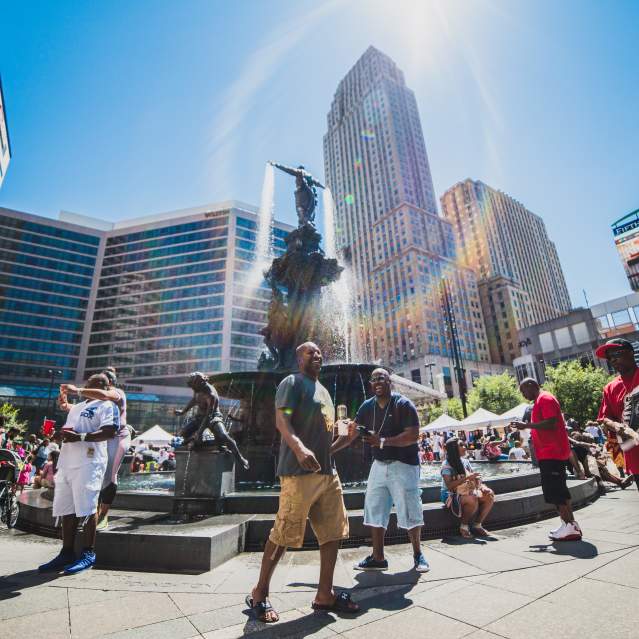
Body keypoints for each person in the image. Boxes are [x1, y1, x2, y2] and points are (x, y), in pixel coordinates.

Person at [247, 342, 359, 623]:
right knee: (284, 532)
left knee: (333, 532)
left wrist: (342, 442)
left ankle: (325, 594)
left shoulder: (323, 391)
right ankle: (259, 594)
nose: (317, 355)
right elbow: (281, 420)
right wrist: (298, 448)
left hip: (327, 474)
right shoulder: (291, 382)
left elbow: (323, 443)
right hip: (297, 473)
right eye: (311, 352)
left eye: (319, 352)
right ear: (299, 358)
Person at [38, 373, 119, 575]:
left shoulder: (107, 404)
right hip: (67, 462)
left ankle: (88, 553)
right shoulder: (78, 407)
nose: (85, 386)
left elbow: (110, 432)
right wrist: (54, 434)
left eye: (90, 383)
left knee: (89, 506)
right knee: (67, 508)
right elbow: (69, 431)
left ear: (101, 386)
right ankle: (66, 553)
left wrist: (81, 437)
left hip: (90, 462)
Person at [350, 368, 429, 572]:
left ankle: (418, 554)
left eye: (381, 378)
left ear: (389, 382)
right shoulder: (367, 407)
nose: (377, 382)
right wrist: (331, 447)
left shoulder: (403, 404)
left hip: (404, 464)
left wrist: (382, 441)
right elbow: (352, 432)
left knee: (410, 508)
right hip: (379, 465)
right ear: (370, 384)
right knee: (374, 508)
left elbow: (412, 435)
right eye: (374, 379)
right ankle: (378, 557)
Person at [60, 366, 131, 529]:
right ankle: (88, 512)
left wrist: (78, 390)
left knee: (108, 475)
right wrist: (66, 406)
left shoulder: (117, 392)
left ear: (109, 383)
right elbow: (86, 410)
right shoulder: (95, 399)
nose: (93, 388)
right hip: (100, 438)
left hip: (117, 437)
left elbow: (105, 396)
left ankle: (103, 515)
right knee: (91, 472)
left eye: (100, 382)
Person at [511, 378, 582, 541]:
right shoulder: (539, 401)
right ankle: (568, 524)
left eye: (523, 391)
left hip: (552, 453)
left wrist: (526, 425)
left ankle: (570, 526)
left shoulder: (545, 398)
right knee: (558, 490)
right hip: (549, 453)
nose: (523, 394)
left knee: (557, 492)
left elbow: (551, 423)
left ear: (531, 386)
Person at [175, 372, 249, 470]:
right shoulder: (197, 389)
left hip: (213, 417)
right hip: (200, 417)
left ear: (200, 383)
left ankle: (240, 458)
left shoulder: (210, 394)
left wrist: (199, 433)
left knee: (223, 435)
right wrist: (183, 411)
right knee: (183, 433)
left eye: (193, 386)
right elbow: (194, 400)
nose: (192, 389)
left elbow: (208, 415)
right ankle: (202, 443)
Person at [595, 338, 639, 490]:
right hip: (635, 455)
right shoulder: (610, 388)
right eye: (609, 357)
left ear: (631, 353)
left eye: (617, 353)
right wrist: (617, 426)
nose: (613, 359)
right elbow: (605, 418)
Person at [441, 437, 495, 538]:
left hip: (467, 490)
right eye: (461, 445)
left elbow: (473, 478)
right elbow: (449, 486)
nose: (464, 447)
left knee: (489, 494)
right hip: (451, 494)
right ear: (453, 449)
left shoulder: (465, 462)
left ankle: (477, 525)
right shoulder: (446, 465)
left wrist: (482, 487)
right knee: (472, 498)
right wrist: (466, 478)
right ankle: (464, 526)